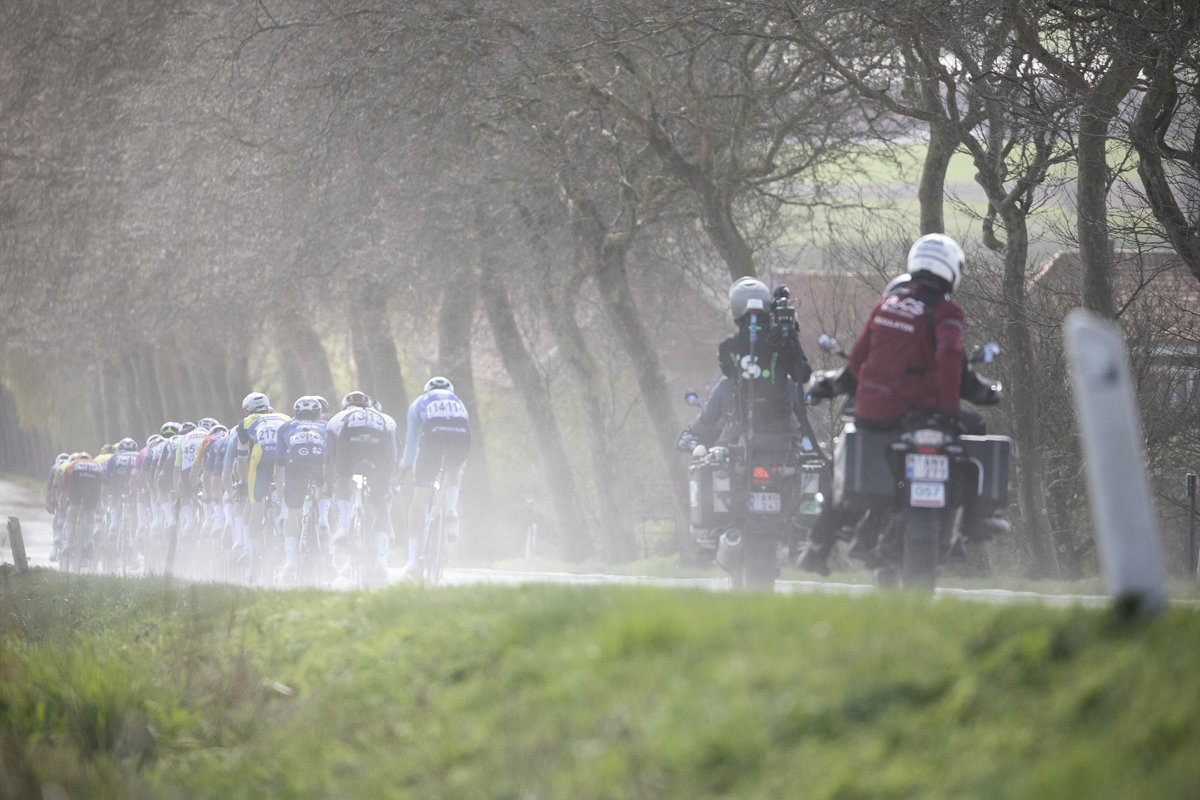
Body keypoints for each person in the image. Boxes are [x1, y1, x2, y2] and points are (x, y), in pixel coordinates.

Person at [848, 234, 965, 428]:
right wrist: (949, 410)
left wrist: (874, 388)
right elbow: (949, 354)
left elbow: (856, 361)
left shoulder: (887, 301)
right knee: (975, 425)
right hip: (918, 414)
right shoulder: (946, 310)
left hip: (870, 414)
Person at [718, 277, 812, 458]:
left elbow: (727, 372)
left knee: (720, 449)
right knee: (802, 453)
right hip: (782, 426)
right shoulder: (781, 341)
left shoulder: (727, 346)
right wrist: (791, 335)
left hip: (743, 425)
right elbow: (803, 375)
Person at [400, 377, 471, 580]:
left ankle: (413, 560)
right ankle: (451, 510)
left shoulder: (419, 403)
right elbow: (466, 430)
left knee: (420, 496)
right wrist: (458, 467)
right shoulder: (458, 402)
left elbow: (411, 444)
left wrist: (409, 462)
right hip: (461, 435)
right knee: (454, 470)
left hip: (432, 436)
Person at [325, 390, 400, 578]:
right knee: (380, 505)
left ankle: (343, 527)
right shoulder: (385, 418)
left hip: (350, 446)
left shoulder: (337, 418)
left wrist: (330, 486)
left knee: (343, 478)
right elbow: (393, 458)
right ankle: (382, 561)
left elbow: (329, 461)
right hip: (379, 448)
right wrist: (388, 484)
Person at [234, 393, 291, 583]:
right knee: (280, 498)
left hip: (259, 461)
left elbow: (242, 459)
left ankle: (252, 566)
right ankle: (280, 529)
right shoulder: (285, 417)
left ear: (247, 410)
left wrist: (243, 482)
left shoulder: (245, 423)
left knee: (256, 508)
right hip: (284, 460)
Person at [274, 396, 329, 579]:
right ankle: (324, 519)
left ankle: (291, 560)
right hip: (320, 463)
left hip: (295, 466)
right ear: (318, 413)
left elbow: (279, 465)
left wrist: (281, 493)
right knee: (325, 492)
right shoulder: (326, 426)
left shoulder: (286, 427)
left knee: (293, 513)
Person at [58, 452, 104, 566]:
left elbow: (63, 491)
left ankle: (67, 545)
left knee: (73, 506)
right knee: (90, 510)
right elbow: (101, 490)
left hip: (76, 475)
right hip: (96, 475)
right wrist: (97, 507)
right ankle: (89, 541)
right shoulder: (97, 465)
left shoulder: (70, 465)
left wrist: (62, 507)